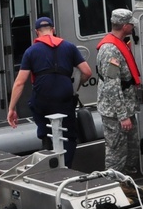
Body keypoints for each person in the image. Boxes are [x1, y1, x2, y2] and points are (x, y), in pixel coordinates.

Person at [7, 16, 93, 167]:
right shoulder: (69, 47)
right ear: (53, 30)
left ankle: (50, 165)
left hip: (42, 99)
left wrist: (12, 108)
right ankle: (66, 168)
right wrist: (76, 87)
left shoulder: (31, 52)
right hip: (64, 98)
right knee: (68, 136)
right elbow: (87, 72)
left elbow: (20, 83)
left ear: (36, 32)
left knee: (46, 133)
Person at [96, 8, 141, 175]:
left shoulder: (120, 44)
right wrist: (122, 116)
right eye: (131, 24)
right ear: (124, 26)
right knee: (116, 151)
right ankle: (111, 185)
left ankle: (127, 184)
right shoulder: (110, 50)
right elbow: (111, 85)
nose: (133, 27)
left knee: (131, 147)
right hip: (115, 112)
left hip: (126, 109)